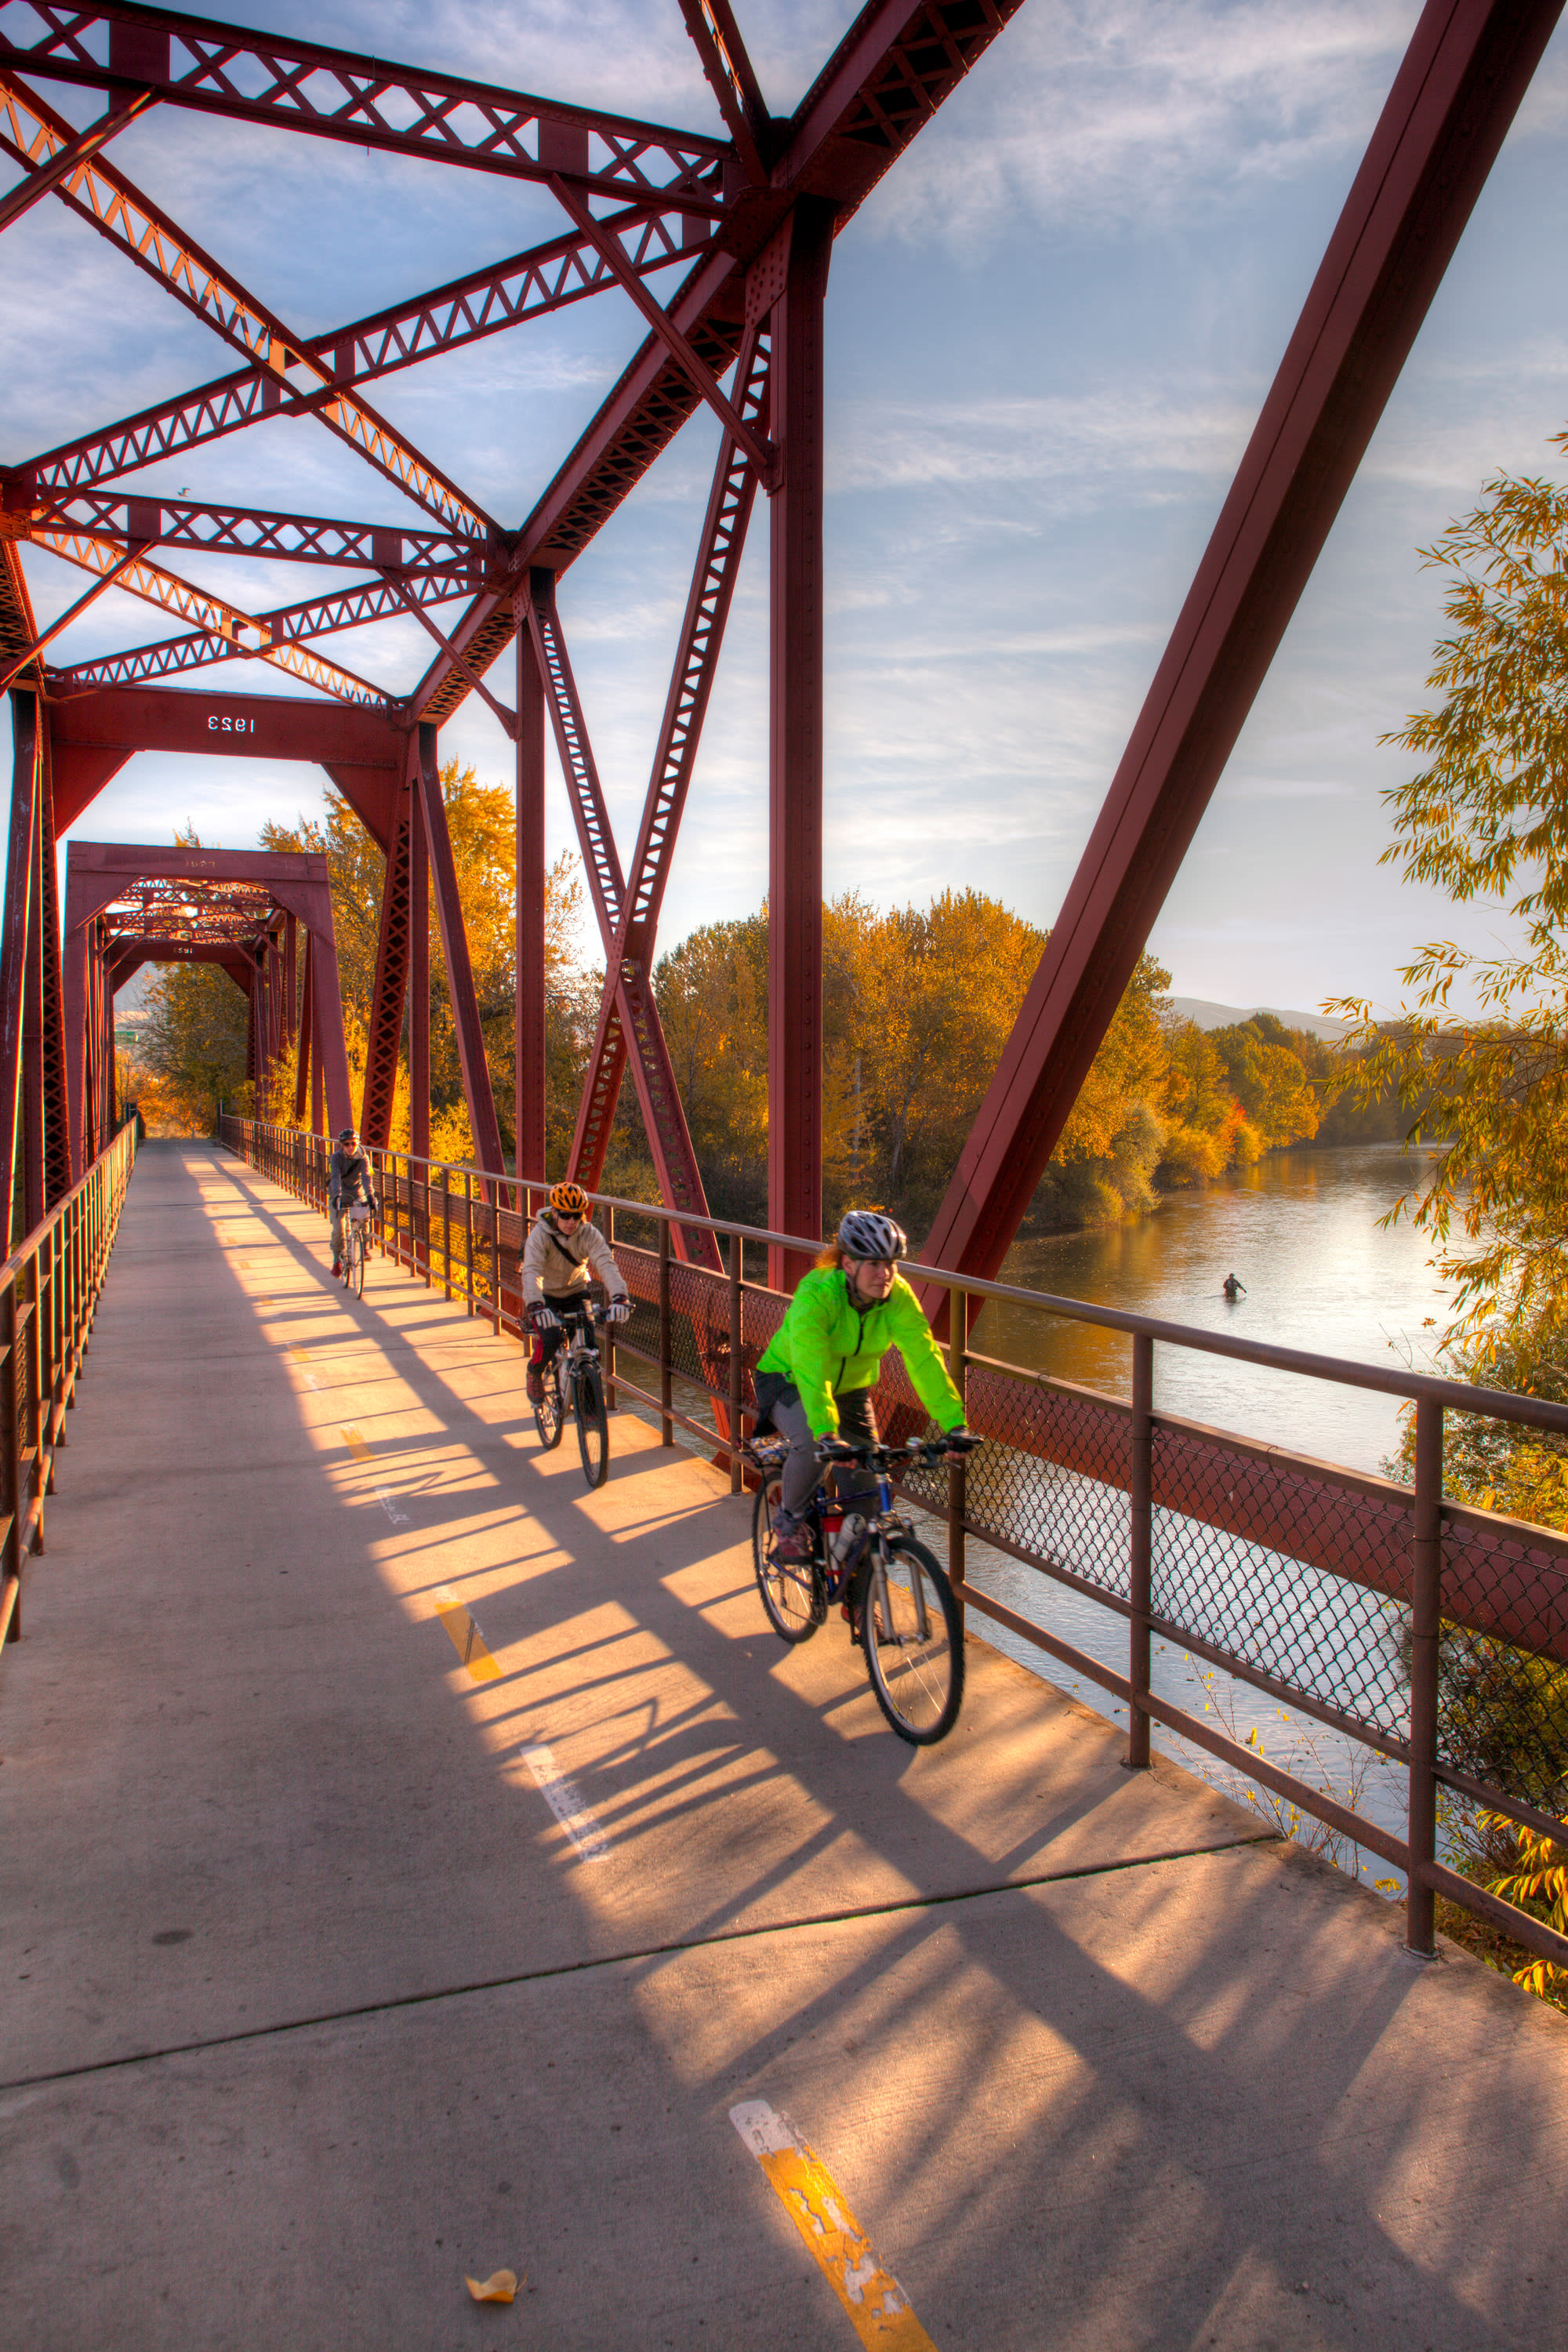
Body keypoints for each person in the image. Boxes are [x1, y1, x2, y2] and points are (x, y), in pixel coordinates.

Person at [753, 1209, 978, 1560]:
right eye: (873, 1263)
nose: (884, 1273)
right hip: (790, 1380)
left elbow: (923, 1356)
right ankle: (790, 1523)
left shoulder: (897, 1297)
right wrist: (827, 1431)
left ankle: (859, 1600)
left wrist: (954, 1423)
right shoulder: (817, 1294)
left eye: (890, 1263)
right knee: (814, 1443)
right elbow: (810, 1364)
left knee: (868, 1502)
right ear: (847, 1264)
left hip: (851, 1392)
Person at [522, 1180, 631, 1403]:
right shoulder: (539, 1236)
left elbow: (605, 1264)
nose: (571, 1222)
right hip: (546, 1297)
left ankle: (590, 1413)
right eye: (564, 1215)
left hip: (576, 1292)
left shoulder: (588, 1234)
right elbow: (532, 1271)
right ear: (553, 1212)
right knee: (551, 1338)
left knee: (589, 1349)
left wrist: (620, 1297)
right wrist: (535, 1304)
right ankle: (534, 1371)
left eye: (576, 1215)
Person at [327, 1126, 378, 1278]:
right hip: (339, 1194)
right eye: (347, 1144)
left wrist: (371, 1196)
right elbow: (335, 1177)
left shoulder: (363, 1157)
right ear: (341, 1146)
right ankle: (337, 1260)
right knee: (338, 1228)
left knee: (362, 1220)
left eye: (353, 1144)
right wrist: (336, 1196)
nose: (350, 1147)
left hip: (357, 1192)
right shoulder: (336, 1158)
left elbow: (366, 1177)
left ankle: (364, 1248)